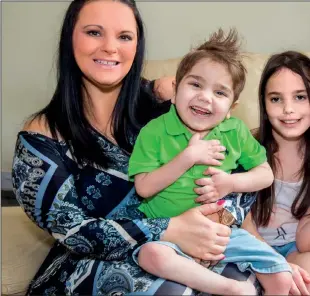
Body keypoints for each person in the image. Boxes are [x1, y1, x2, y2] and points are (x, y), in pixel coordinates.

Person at [11, 0, 258, 295]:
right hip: (91, 266)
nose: (110, 48)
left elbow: (243, 169)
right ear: (69, 39)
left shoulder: (168, 103)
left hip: (191, 247)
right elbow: (75, 232)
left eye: (124, 36)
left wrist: (223, 222)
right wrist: (169, 228)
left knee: (247, 275)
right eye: (94, 32)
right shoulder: (39, 143)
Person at [128, 28, 293, 295]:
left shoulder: (234, 131)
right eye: (195, 84)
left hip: (220, 231)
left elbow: (266, 175)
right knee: (150, 256)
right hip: (169, 234)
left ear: (231, 108)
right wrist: (187, 158)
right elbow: (143, 188)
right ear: (175, 89)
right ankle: (228, 287)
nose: (205, 97)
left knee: (283, 275)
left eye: (220, 92)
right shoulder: (154, 132)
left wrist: (230, 182)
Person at [249, 50, 310, 295]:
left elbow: (305, 242)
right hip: (251, 247)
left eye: (300, 97)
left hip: (295, 248)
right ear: (263, 103)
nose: (288, 109)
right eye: (276, 99)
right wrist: (275, 263)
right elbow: (235, 220)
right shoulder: (247, 147)